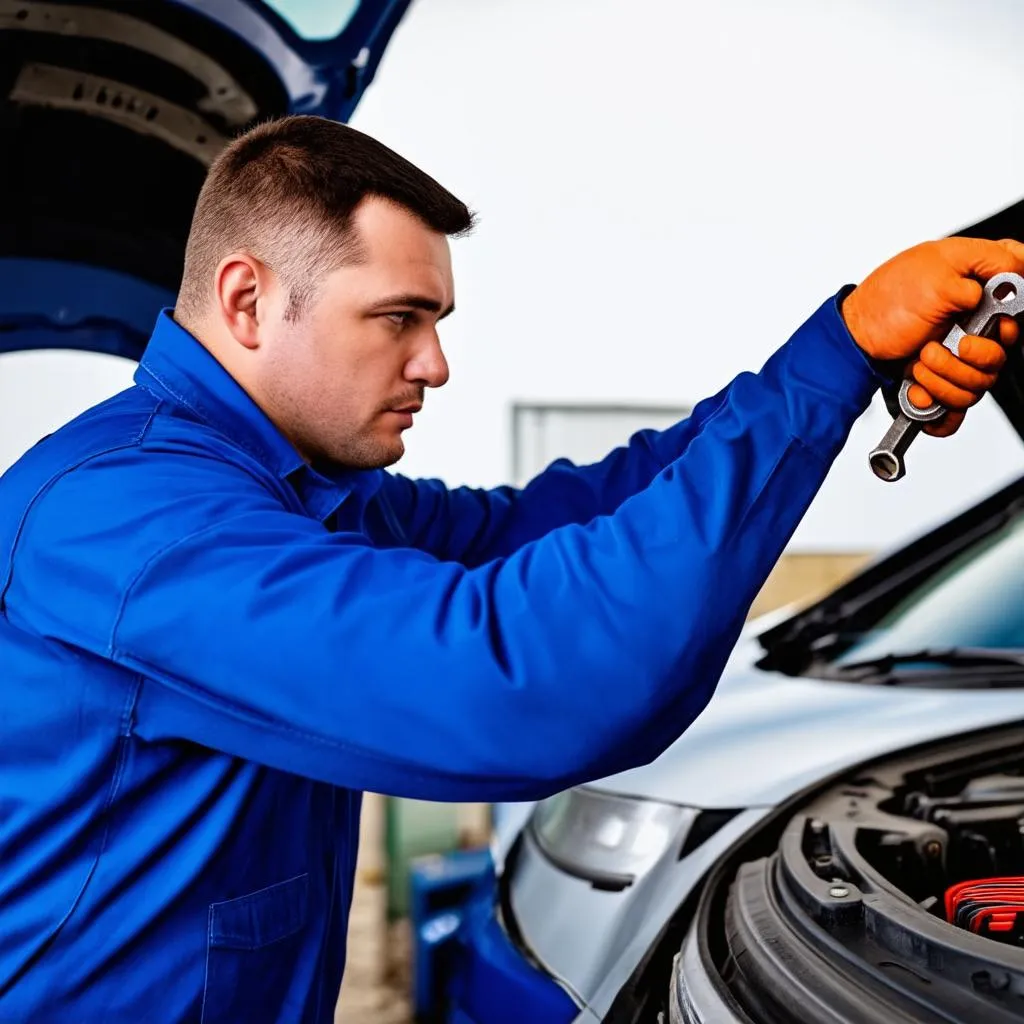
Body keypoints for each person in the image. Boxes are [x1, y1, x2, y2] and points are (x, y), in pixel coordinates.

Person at [0, 114, 1020, 1023]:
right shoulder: (130, 526)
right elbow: (524, 675)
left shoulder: (290, 490)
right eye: (399, 316)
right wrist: (831, 361)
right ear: (248, 300)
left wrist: (842, 356)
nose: (435, 362)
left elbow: (554, 523)